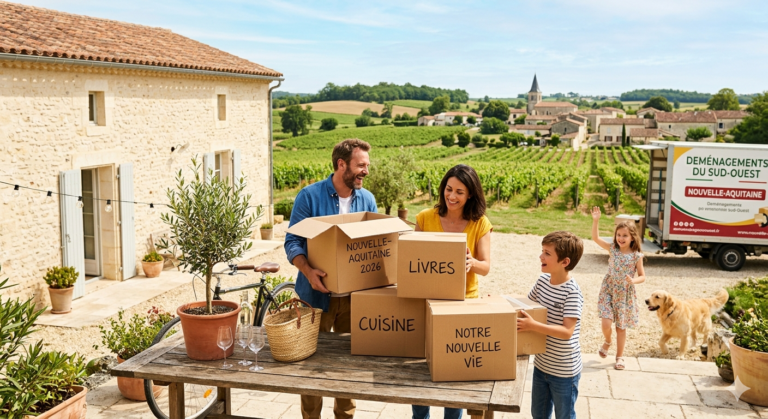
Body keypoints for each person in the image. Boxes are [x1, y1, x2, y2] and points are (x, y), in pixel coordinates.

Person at [284, 139, 377, 419]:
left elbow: (374, 247)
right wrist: (308, 271)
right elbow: (292, 242)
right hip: (314, 299)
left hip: (353, 301)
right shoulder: (309, 197)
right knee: (310, 367)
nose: (366, 171)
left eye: (367, 166)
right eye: (361, 166)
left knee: (348, 368)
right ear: (341, 165)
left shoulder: (368, 200)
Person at [411, 164, 492, 419]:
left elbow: (486, 267)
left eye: (460, 191)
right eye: (448, 189)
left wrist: (471, 263)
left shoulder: (480, 223)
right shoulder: (425, 218)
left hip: (462, 303)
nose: (452, 196)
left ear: (470, 195)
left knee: (453, 372)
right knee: (420, 369)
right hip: (427, 302)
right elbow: (412, 259)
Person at [517, 231, 584, 419]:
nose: (541, 256)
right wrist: (501, 301)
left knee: (564, 416)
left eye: (547, 253)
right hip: (541, 366)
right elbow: (526, 306)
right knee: (538, 415)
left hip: (564, 372)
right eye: (542, 251)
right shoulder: (542, 281)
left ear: (565, 262)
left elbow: (567, 332)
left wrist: (533, 326)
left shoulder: (572, 292)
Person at [590, 207, 646, 370]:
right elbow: (595, 237)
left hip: (624, 294)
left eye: (625, 236)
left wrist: (634, 281)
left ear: (632, 237)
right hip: (609, 289)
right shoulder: (612, 249)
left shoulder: (636, 256)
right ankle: (608, 341)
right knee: (606, 323)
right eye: (619, 235)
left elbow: (643, 276)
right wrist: (596, 221)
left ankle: (619, 357)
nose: (620, 238)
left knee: (621, 327)